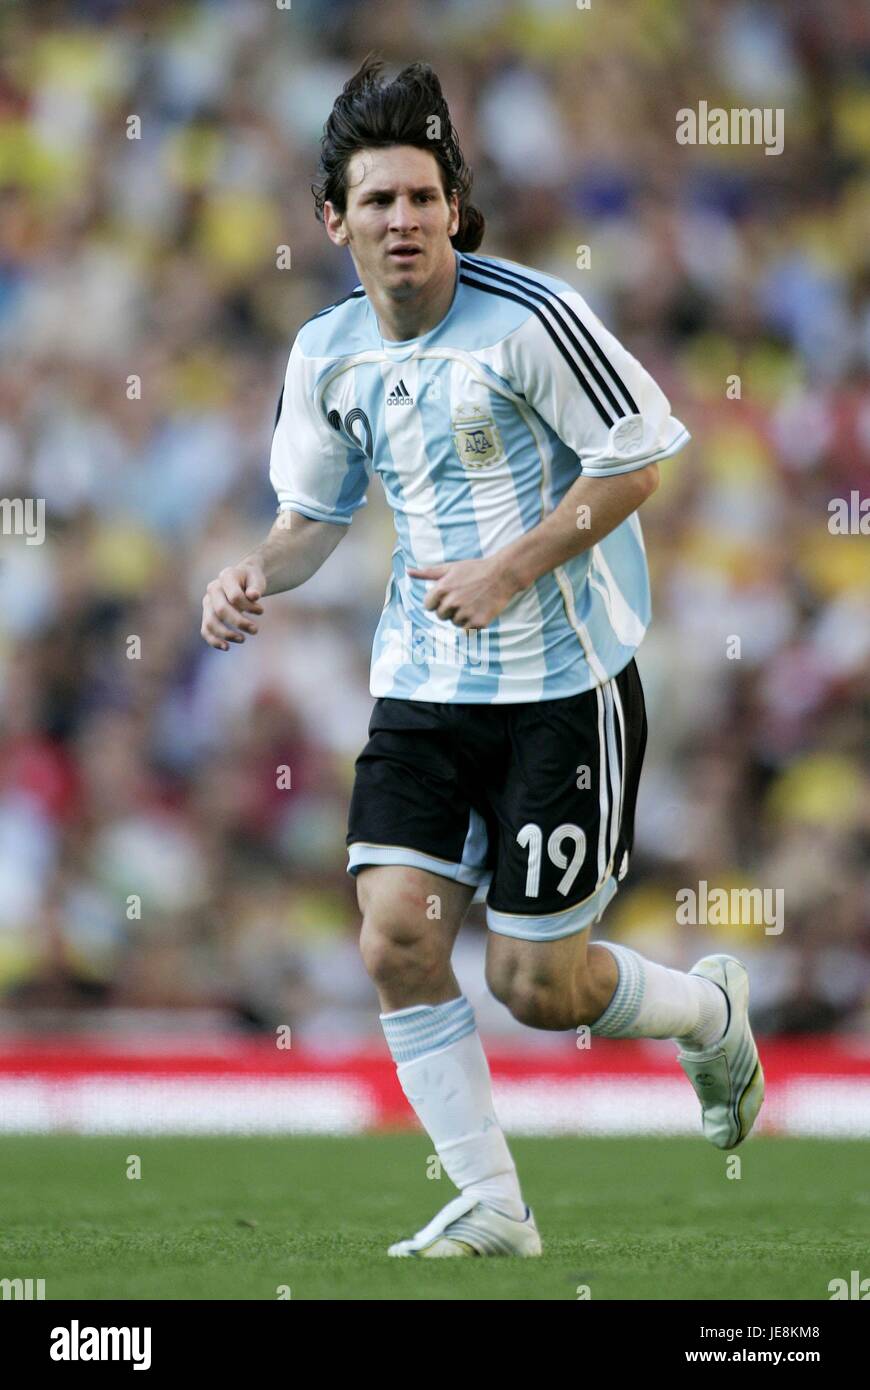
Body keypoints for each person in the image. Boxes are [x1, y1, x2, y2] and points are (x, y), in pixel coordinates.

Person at [201, 56, 764, 1258]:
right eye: (377, 201)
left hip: (563, 686)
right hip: (422, 683)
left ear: (454, 204)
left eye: (420, 197)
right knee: (394, 935)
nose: (401, 220)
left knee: (533, 986)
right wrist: (253, 570)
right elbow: (314, 522)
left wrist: (510, 567)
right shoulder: (327, 356)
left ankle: (710, 1012)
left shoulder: (533, 321)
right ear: (332, 218)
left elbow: (639, 461)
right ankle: (494, 1203)